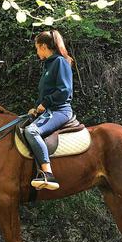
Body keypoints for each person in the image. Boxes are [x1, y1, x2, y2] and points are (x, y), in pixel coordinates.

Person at [25, 29, 74, 191]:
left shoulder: (59, 62)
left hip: (60, 110)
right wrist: (37, 107)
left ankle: (48, 174)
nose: (37, 52)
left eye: (37, 48)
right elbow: (47, 91)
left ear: (44, 46)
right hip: (49, 110)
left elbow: (64, 90)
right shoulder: (49, 65)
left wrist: (45, 103)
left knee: (32, 131)